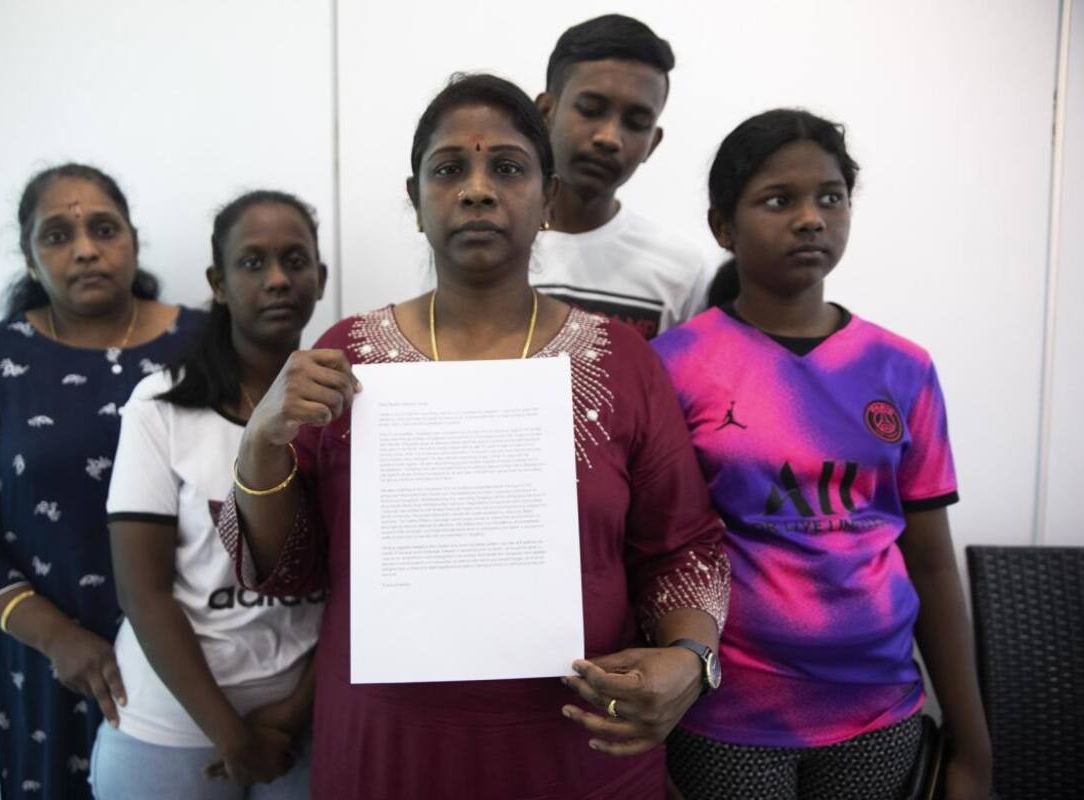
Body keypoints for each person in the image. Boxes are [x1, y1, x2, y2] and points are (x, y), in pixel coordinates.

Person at [217, 74, 730, 798]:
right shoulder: (348, 358)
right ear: (416, 198)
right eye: (450, 168)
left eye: (509, 168)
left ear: (548, 199)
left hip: (582, 747)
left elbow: (683, 545)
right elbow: (292, 568)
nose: (478, 190)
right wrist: (261, 442)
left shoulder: (622, 361)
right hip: (387, 751)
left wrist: (689, 658)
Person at [651, 110, 992, 799]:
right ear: (723, 227)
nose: (811, 219)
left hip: (879, 711)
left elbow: (928, 558)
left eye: (830, 197)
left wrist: (972, 741)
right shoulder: (675, 366)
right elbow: (660, 552)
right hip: (730, 712)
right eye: (779, 200)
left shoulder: (901, 368)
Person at [0, 163, 205, 798]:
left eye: (104, 228)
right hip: (52, 672)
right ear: (29, 256)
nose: (86, 250)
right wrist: (57, 638)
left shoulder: (204, 345)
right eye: (57, 236)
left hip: (201, 664)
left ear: (132, 237)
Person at [91, 190, 327, 799]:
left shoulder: (344, 406)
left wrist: (296, 712)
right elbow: (142, 592)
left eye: (295, 261)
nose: (277, 279)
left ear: (321, 278)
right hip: (172, 726)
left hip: (301, 722)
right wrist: (232, 736)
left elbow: (359, 588)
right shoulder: (160, 406)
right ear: (218, 282)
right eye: (252, 263)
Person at [530, 14, 709, 339]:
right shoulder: (486, 247)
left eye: (636, 123)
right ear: (545, 113)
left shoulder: (683, 272)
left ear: (652, 144)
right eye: (591, 109)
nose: (610, 137)